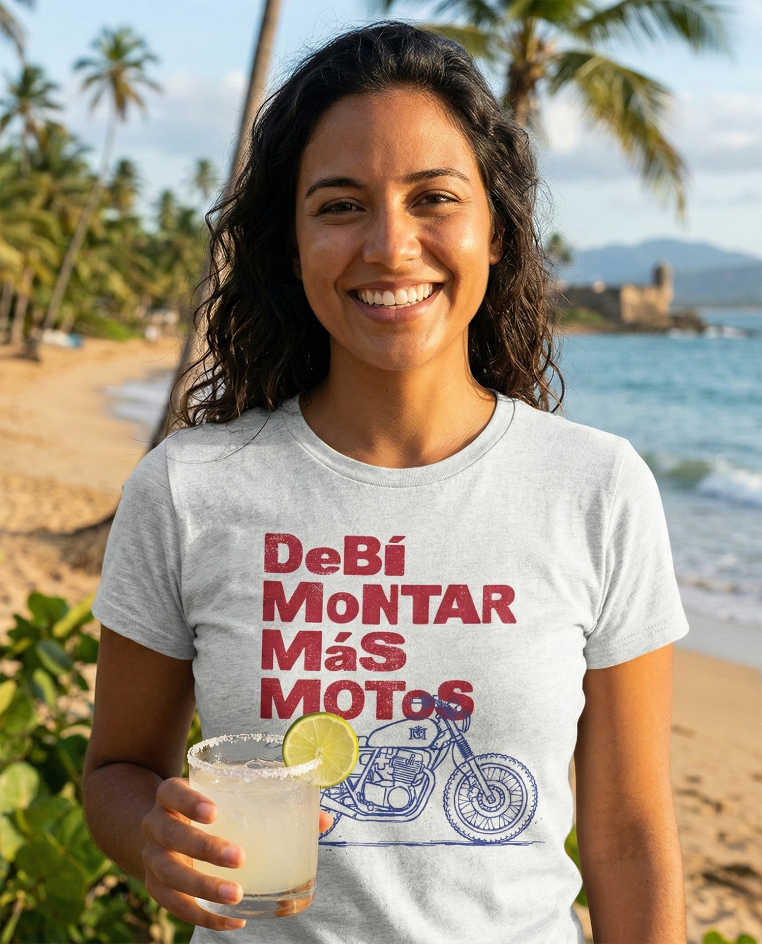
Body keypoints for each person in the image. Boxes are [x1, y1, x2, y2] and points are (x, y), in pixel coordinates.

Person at [83, 21, 689, 944]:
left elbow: (631, 837)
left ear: (497, 230)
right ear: (290, 244)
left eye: (434, 198)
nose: (391, 246)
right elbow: (119, 770)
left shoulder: (597, 488)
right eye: (339, 206)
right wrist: (153, 836)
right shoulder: (187, 489)